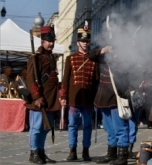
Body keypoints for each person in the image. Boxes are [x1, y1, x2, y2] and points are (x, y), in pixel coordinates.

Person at [59, 24, 101, 161]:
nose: (85, 44)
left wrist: (96, 98)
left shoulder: (94, 61)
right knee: (72, 125)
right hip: (73, 98)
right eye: (83, 41)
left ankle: (86, 150)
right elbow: (65, 80)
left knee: (87, 125)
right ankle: (72, 150)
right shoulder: (70, 59)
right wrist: (63, 96)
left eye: (87, 41)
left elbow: (96, 82)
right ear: (78, 42)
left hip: (88, 99)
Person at [25, 25, 60, 164]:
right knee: (36, 128)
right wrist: (36, 97)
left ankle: (40, 151)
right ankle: (33, 153)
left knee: (46, 128)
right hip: (39, 99)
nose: (51, 43)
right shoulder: (36, 57)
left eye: (52, 40)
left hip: (50, 99)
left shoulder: (51, 57)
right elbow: (30, 78)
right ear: (42, 41)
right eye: (48, 40)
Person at [93, 44, 131, 165]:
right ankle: (111, 154)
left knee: (120, 129)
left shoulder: (124, 62)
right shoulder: (105, 58)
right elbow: (91, 56)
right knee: (109, 129)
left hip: (116, 100)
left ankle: (122, 157)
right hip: (104, 100)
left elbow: (124, 82)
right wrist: (103, 50)